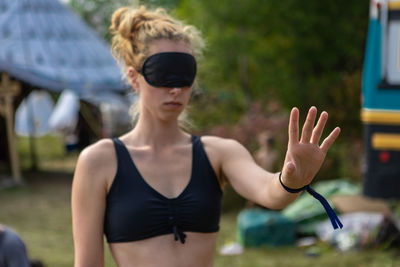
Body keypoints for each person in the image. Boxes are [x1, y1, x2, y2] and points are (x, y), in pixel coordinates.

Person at [71, 5, 341, 267]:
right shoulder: (99, 162)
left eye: (185, 75)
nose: (175, 88)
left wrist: (290, 180)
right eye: (163, 74)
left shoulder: (219, 154)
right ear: (134, 77)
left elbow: (269, 192)